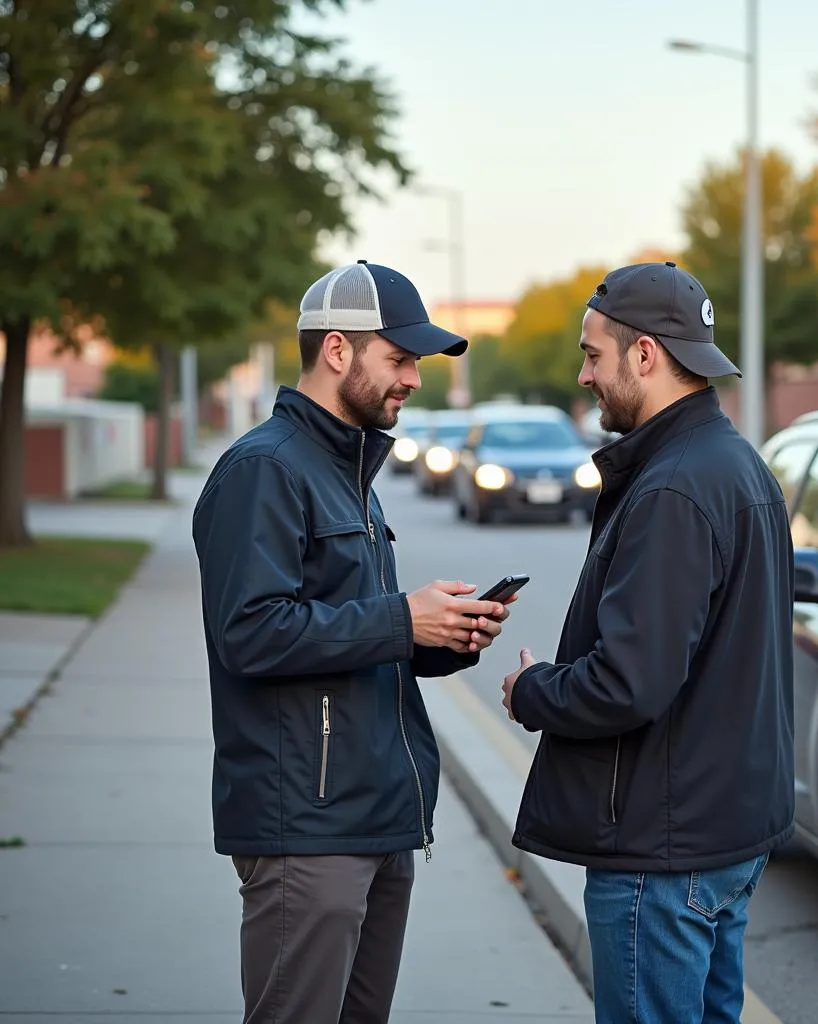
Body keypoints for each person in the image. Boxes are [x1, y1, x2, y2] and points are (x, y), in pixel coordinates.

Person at [192, 261, 514, 1024]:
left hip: (373, 819)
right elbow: (251, 632)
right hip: (306, 825)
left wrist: (444, 636)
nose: (414, 378)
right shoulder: (265, 470)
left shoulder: (348, 471)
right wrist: (405, 619)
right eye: (400, 359)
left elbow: (348, 631)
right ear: (338, 350)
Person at [500, 262, 795, 1024]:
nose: (583, 373)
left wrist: (532, 692)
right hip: (720, 836)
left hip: (663, 853)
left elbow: (630, 683)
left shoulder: (673, 488)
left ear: (646, 355)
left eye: (593, 354)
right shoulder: (736, 467)